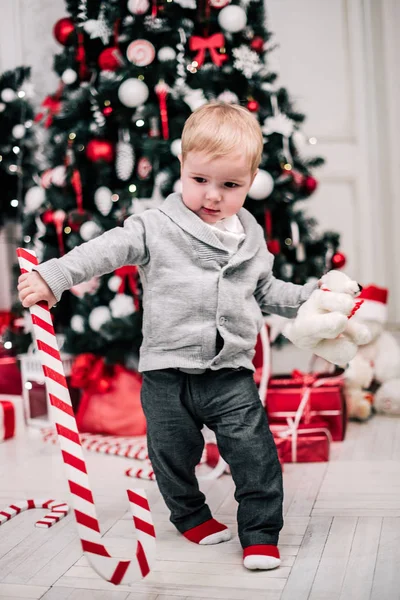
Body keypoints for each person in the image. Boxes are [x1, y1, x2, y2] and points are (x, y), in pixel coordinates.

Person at [18, 102, 318, 571]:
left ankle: (260, 533)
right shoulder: (155, 227)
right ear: (182, 167)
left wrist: (313, 299)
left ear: (251, 180)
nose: (213, 196)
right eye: (200, 180)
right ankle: (190, 514)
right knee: (171, 454)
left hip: (229, 373)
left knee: (254, 452)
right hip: (166, 372)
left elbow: (266, 290)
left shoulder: (250, 237)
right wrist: (53, 276)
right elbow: (103, 250)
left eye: (230, 185)